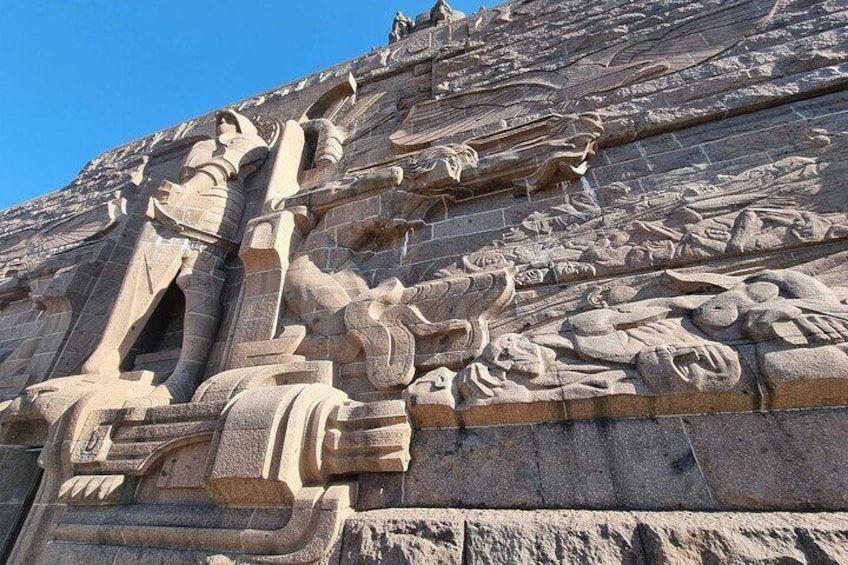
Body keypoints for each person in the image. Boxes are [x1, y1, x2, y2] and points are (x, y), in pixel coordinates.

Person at [80, 110, 269, 403]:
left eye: (228, 118)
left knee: (198, 278)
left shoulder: (250, 142)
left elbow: (224, 167)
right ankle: (106, 356)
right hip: (178, 201)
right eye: (218, 119)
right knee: (146, 268)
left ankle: (188, 372)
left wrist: (186, 191)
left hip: (216, 204)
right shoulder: (202, 145)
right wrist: (182, 191)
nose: (221, 123)